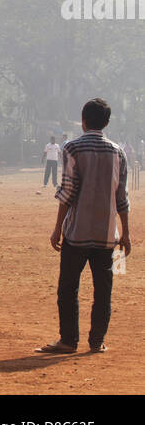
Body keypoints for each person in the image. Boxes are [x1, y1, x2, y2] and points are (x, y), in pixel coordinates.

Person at [37, 97, 130, 355]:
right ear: (107, 122)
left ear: (83, 120)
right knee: (103, 290)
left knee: (68, 288)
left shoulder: (72, 148)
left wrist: (57, 228)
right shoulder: (118, 152)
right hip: (106, 234)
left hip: (76, 232)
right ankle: (96, 341)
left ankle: (68, 341)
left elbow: (68, 191)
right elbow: (121, 197)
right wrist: (126, 233)